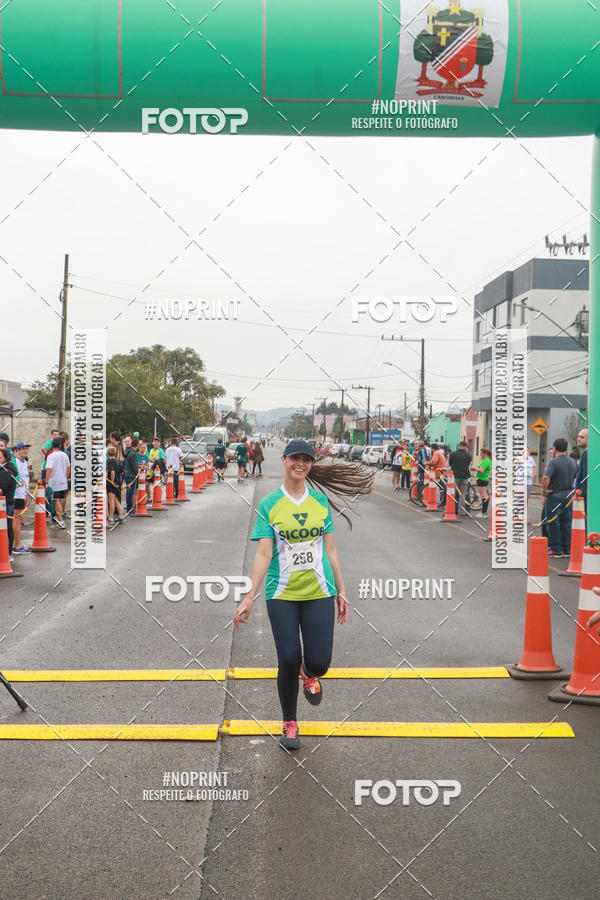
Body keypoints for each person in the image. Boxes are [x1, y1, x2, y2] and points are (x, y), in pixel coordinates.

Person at [233, 439, 374, 751]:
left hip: (319, 590)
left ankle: (309, 674)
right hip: (281, 593)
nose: (301, 463)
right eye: (295, 458)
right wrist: (249, 595)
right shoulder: (270, 504)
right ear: (283, 461)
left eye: (306, 459)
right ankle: (290, 722)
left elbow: (331, 550)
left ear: (311, 464)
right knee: (287, 657)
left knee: (319, 661)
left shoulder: (319, 503)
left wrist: (342, 590)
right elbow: (263, 554)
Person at [542, 438, 578, 557]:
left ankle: (556, 548)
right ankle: (567, 548)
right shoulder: (573, 461)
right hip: (568, 494)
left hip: (555, 494)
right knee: (566, 522)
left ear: (555, 448)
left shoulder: (553, 462)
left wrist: (545, 490)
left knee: (553, 521)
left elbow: (545, 478)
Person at [44, 437, 70, 527]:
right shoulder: (64, 455)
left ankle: (60, 520)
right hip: (63, 481)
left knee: (56, 501)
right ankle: (61, 518)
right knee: (61, 500)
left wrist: (46, 481)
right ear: (60, 445)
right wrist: (66, 477)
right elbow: (68, 467)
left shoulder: (51, 456)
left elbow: (49, 469)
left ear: (51, 446)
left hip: (55, 482)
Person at [12, 442, 31, 553]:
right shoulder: (16, 462)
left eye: (26, 449)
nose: (25, 450)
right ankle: (17, 546)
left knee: (19, 520)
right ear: (18, 450)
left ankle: (15, 544)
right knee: (16, 521)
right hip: (16, 495)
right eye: (23, 448)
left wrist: (27, 494)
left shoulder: (25, 462)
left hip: (23, 494)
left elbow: (26, 480)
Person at [0, 447, 18, 556]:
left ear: (6, 458)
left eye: (0, 457)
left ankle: (7, 552)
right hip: (8, 502)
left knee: (5, 528)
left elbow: (2, 488)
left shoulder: (6, 471)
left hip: (5, 503)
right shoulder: (5, 469)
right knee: (7, 527)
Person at [449, 441, 472, 516]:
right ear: (465, 447)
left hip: (455, 476)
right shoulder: (468, 455)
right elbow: (468, 464)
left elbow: (450, 463)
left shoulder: (453, 454)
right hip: (465, 477)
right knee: (462, 495)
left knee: (453, 494)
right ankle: (461, 511)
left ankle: (451, 509)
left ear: (459, 446)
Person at [106, 446, 124, 524]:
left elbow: (112, 472)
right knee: (116, 500)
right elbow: (122, 472)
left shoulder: (110, 462)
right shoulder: (117, 461)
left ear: (108, 453)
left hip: (112, 483)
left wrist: (112, 481)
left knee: (111, 500)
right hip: (118, 482)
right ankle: (120, 516)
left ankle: (110, 517)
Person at [472, 448, 492, 517]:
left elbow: (481, 470)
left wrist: (474, 468)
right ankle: (484, 512)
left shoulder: (486, 461)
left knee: (484, 496)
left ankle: (484, 512)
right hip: (482, 479)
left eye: (481, 453)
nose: (480, 455)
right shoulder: (486, 460)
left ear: (485, 453)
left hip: (482, 479)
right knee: (484, 496)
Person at [124, 437, 140, 512]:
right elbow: (134, 467)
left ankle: (129, 507)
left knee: (129, 492)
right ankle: (130, 508)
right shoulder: (133, 454)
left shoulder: (128, 452)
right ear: (137, 445)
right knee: (130, 492)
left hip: (127, 474)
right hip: (131, 475)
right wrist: (138, 474)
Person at [574, 427, 588, 511]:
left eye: (582, 437)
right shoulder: (585, 454)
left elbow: (585, 477)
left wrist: (581, 494)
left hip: (584, 497)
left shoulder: (586, 455)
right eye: (578, 436)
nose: (578, 439)